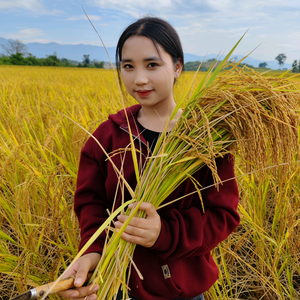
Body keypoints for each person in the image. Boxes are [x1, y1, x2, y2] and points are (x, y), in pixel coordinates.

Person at [58, 16, 240, 300]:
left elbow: (223, 215)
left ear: (177, 66)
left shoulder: (206, 138)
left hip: (181, 292)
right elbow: (90, 204)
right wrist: (93, 252)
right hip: (114, 285)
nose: (139, 79)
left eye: (152, 65)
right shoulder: (107, 136)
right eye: (128, 66)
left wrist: (164, 233)